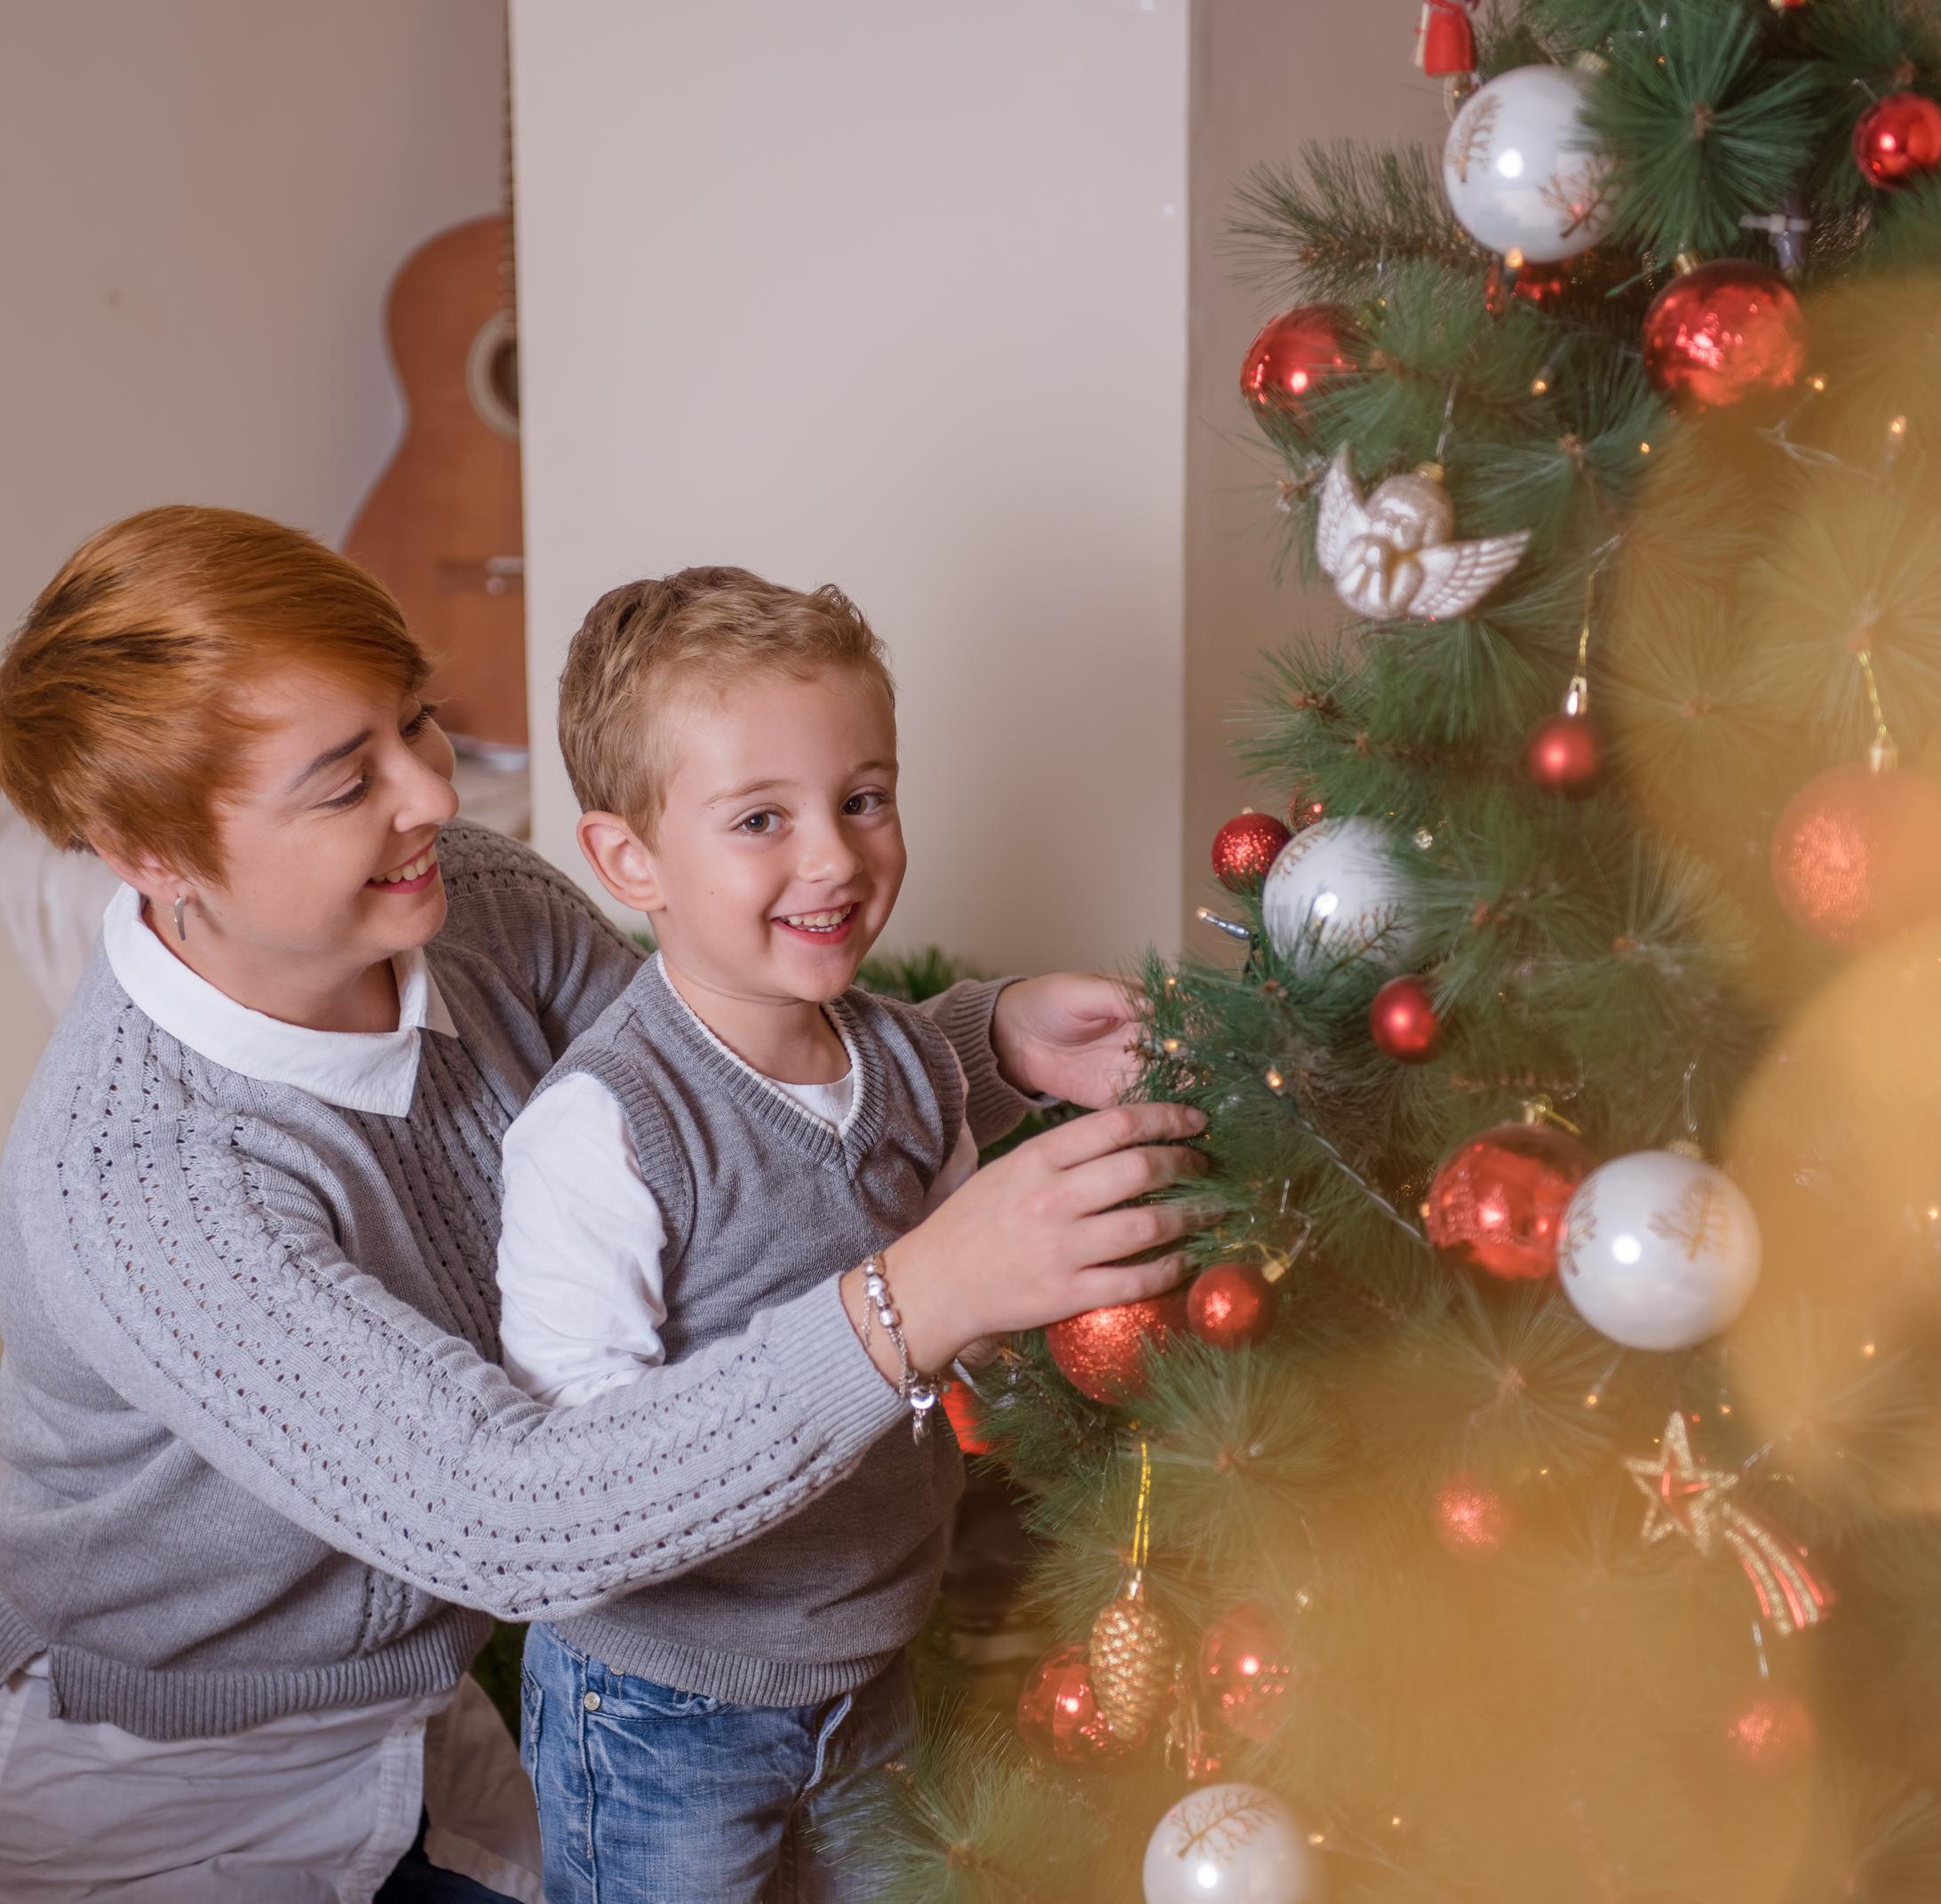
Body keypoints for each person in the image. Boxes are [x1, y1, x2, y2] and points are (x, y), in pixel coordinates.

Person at [0, 507, 1207, 1902]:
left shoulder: (469, 904)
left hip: (440, 1707)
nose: (434, 796)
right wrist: (918, 1299)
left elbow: (713, 1101)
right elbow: (511, 1517)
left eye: (419, 721)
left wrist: (975, 1046)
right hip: (166, 1783)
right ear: (149, 850)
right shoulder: (145, 1179)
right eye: (345, 781)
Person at [496, 567, 1104, 1900]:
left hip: (874, 1653)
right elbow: (588, 1477)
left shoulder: (900, 1053)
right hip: (660, 1710)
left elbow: (955, 1273)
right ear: (628, 859)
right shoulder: (603, 1133)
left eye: (864, 797)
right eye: (761, 818)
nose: (834, 855)